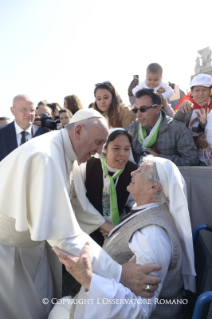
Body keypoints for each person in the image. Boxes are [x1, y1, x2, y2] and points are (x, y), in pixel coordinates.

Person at [0, 109, 161, 319]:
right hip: (11, 250)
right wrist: (119, 274)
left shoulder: (64, 150)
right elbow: (65, 235)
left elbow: (77, 204)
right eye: (98, 142)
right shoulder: (45, 158)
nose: (98, 151)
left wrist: (110, 230)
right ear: (78, 131)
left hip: (33, 245)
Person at [51, 156, 196, 319]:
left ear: (154, 186)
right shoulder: (145, 212)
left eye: (140, 170)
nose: (133, 172)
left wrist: (89, 279)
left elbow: (142, 308)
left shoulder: (152, 234)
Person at [79, 128, 137, 246]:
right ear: (104, 149)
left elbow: (134, 206)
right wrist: (101, 224)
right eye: (116, 148)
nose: (122, 154)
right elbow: (79, 201)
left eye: (127, 149)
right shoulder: (88, 166)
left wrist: (119, 227)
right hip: (87, 230)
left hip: (118, 232)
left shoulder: (133, 173)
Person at [125, 88, 199, 166]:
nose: (138, 114)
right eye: (135, 110)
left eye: (143, 109)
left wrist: (160, 159)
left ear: (157, 109)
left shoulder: (177, 128)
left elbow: (192, 161)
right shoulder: (132, 128)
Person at [174, 73, 212, 166]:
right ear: (191, 92)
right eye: (197, 90)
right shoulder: (186, 106)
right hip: (191, 155)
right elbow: (175, 127)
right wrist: (182, 111)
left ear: (210, 91)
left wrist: (203, 130)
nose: (200, 93)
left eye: (204, 90)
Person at [0, 94, 48, 161]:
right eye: (23, 109)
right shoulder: (1, 134)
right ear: (13, 111)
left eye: (32, 110)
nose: (29, 114)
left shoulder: (45, 135)